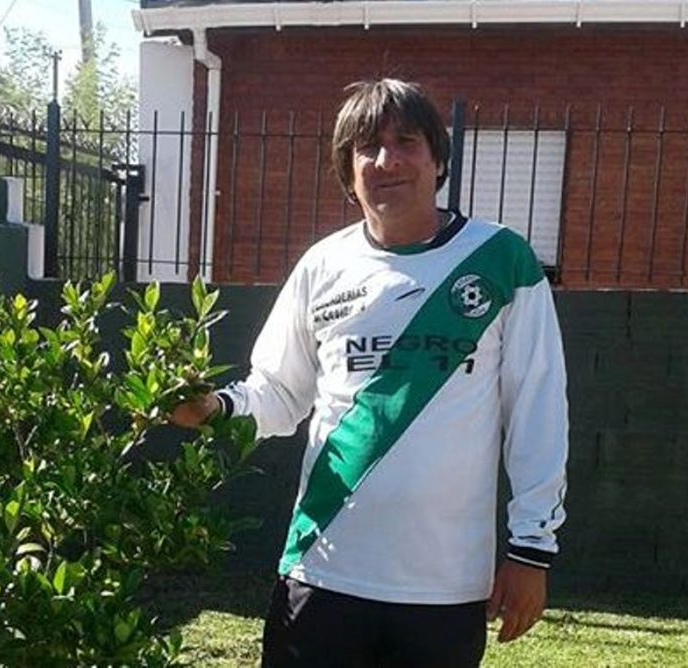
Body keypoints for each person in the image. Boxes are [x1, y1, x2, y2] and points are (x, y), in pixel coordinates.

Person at [172, 78, 568, 667]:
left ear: (438, 160)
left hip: (444, 589)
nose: (386, 160)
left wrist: (531, 549)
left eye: (406, 141)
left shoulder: (500, 259)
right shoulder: (322, 265)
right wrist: (215, 408)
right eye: (367, 147)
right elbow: (278, 391)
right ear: (347, 171)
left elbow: (538, 411)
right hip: (322, 569)